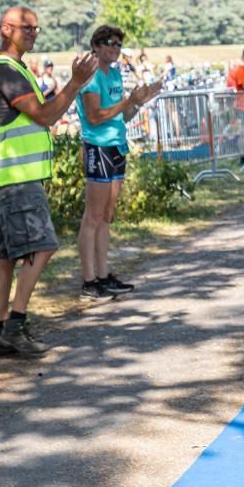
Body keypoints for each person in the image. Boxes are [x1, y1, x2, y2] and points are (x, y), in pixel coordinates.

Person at [0, 6, 97, 356]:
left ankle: (0, 329)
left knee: (5, 257)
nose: (33, 33)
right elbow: (45, 115)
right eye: (26, 27)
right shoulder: (6, 71)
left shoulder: (14, 68)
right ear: (5, 28)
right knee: (43, 245)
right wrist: (75, 82)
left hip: (8, 178)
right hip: (16, 179)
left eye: (37, 28)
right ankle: (15, 324)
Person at [75, 25, 163, 300]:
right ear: (97, 46)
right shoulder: (90, 76)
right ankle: (89, 282)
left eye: (118, 45)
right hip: (98, 147)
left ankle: (103, 276)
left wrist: (140, 102)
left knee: (106, 215)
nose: (115, 48)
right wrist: (128, 101)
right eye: (110, 43)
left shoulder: (113, 73)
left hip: (116, 146)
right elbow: (94, 116)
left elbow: (121, 117)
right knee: (93, 216)